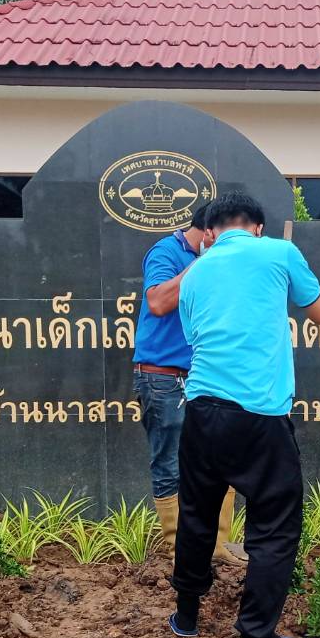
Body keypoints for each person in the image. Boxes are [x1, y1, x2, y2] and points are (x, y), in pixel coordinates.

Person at [168, 192, 320, 638]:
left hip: (201, 411)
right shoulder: (280, 252)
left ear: (213, 231)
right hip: (260, 414)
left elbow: (195, 335)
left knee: (196, 515)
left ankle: (186, 617)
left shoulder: (194, 273)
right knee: (275, 525)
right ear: (257, 226)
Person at [132, 204, 243, 562]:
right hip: (163, 377)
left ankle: (217, 546)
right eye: (226, 233)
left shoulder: (225, 261)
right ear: (210, 232)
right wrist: (203, 264)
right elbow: (159, 302)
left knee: (222, 457)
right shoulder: (166, 251)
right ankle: (178, 549)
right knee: (169, 463)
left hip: (207, 377)